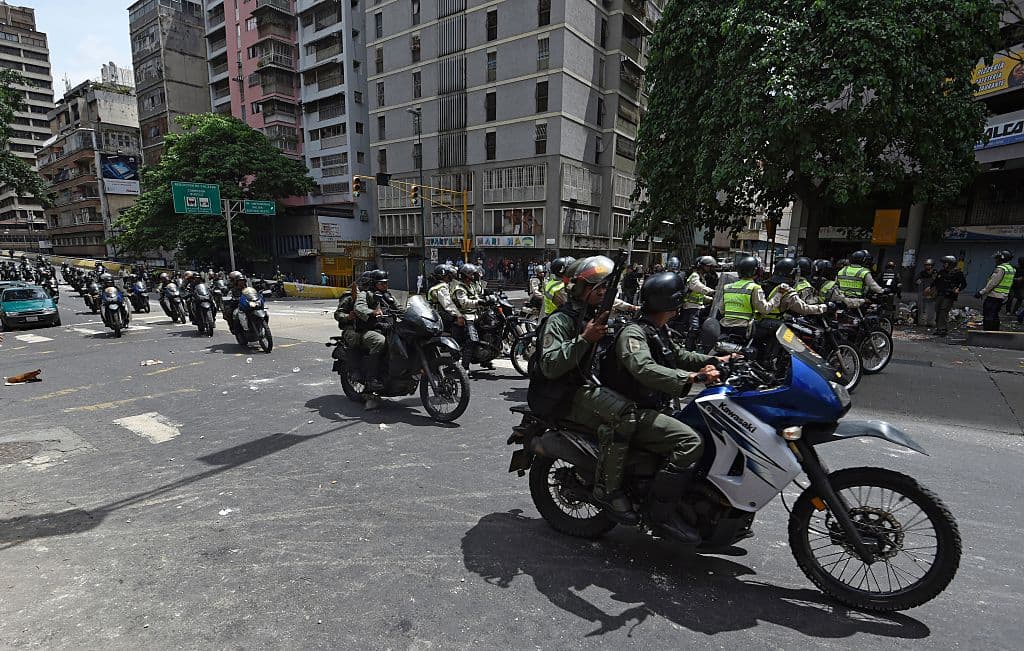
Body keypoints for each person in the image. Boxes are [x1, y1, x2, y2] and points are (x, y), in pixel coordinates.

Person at [599, 272, 730, 542]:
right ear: (671, 303)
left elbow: (679, 355)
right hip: (633, 410)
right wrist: (693, 377)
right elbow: (642, 368)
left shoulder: (657, 329)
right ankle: (661, 514)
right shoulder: (633, 333)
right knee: (690, 442)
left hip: (654, 404)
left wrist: (717, 360)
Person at [353, 269, 398, 406]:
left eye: (386, 283)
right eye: (381, 283)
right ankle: (372, 378)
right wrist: (372, 312)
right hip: (369, 330)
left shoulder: (388, 295)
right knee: (381, 342)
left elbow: (400, 308)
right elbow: (359, 308)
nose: (385, 285)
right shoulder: (366, 294)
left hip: (387, 327)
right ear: (374, 283)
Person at [718, 256, 780, 341]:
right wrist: (779, 295)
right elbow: (765, 309)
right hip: (743, 330)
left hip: (725, 328)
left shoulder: (727, 287)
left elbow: (722, 310)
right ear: (755, 271)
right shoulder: (754, 288)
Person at [451, 263, 493, 370]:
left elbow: (481, 292)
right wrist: (479, 302)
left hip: (477, 315)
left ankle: (485, 360)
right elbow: (463, 302)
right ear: (465, 275)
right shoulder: (459, 288)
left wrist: (491, 294)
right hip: (466, 316)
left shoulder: (472, 285)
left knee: (490, 332)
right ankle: (465, 367)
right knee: (472, 340)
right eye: (471, 274)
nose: (474, 276)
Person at [673, 256, 715, 350]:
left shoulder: (701, 276)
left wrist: (711, 299)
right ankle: (689, 348)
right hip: (691, 306)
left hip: (697, 306)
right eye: (707, 266)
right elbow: (696, 286)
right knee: (694, 328)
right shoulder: (695, 275)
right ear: (701, 266)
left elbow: (699, 295)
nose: (709, 268)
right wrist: (711, 291)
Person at [975, 250, 1016, 331]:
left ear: (1001, 259)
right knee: (995, 314)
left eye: (997, 259)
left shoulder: (1001, 269)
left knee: (988, 315)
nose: (996, 260)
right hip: (1002, 296)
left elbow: (993, 283)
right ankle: (995, 332)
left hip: (994, 295)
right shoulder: (1011, 269)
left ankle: (988, 333)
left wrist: (981, 292)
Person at [933, 255, 967, 337]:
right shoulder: (942, 272)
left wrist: (958, 289)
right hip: (940, 294)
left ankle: (943, 329)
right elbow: (936, 281)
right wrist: (930, 287)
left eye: (946, 263)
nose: (944, 265)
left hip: (949, 295)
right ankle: (938, 328)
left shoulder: (957, 273)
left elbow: (963, 284)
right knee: (937, 310)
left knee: (943, 311)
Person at [426, 264, 462, 328]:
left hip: (438, 314)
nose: (452, 276)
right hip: (440, 316)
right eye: (450, 274)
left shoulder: (440, 285)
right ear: (444, 275)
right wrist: (458, 315)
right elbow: (448, 304)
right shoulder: (441, 288)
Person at [915, 259, 937, 328]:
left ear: (932, 266)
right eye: (926, 265)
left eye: (929, 265)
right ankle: (922, 322)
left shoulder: (935, 273)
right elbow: (916, 281)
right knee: (921, 307)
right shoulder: (922, 273)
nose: (927, 267)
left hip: (933, 293)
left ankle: (931, 322)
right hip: (923, 292)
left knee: (932, 308)